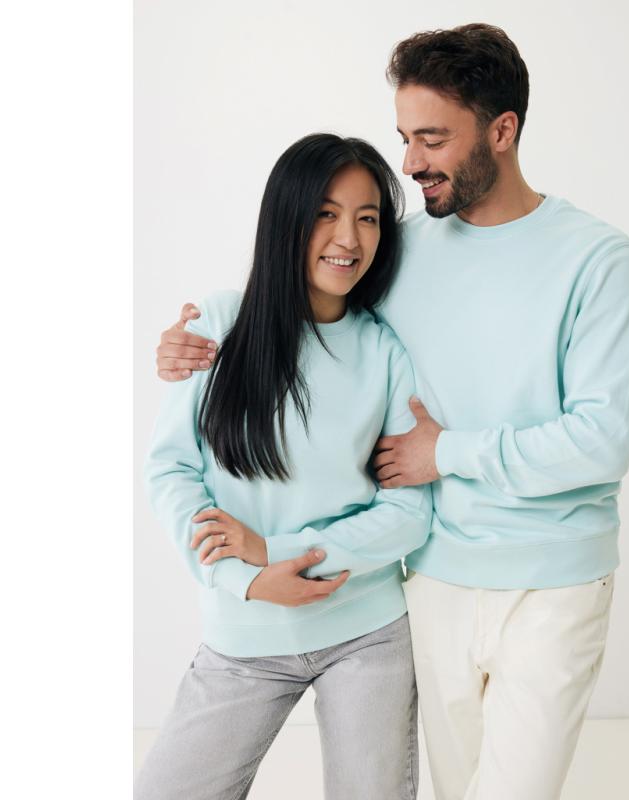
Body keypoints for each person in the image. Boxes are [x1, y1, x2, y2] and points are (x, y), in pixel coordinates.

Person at [155, 24, 629, 800]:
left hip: (552, 578)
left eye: (432, 139)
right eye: (405, 138)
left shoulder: (597, 257)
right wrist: (193, 343)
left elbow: (604, 441)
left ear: (502, 131)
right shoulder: (398, 252)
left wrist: (443, 453)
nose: (411, 162)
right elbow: (301, 311)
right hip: (435, 579)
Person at [136, 133, 432, 800]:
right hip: (243, 631)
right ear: (286, 218)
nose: (348, 239)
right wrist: (244, 578)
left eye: (367, 218)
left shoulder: (385, 353)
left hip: (367, 633)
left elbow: (409, 513)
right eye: (325, 213)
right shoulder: (220, 323)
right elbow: (172, 471)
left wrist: (278, 552)